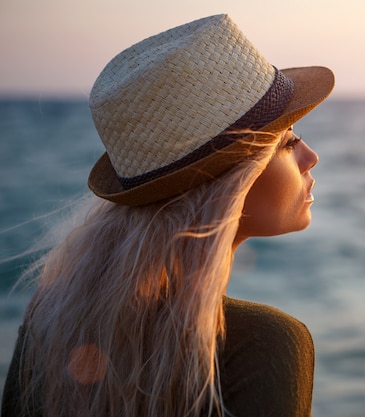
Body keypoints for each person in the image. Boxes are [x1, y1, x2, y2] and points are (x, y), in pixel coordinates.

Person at [1, 14, 334, 417]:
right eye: (287, 142)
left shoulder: (52, 324)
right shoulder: (266, 343)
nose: (310, 157)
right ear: (229, 178)